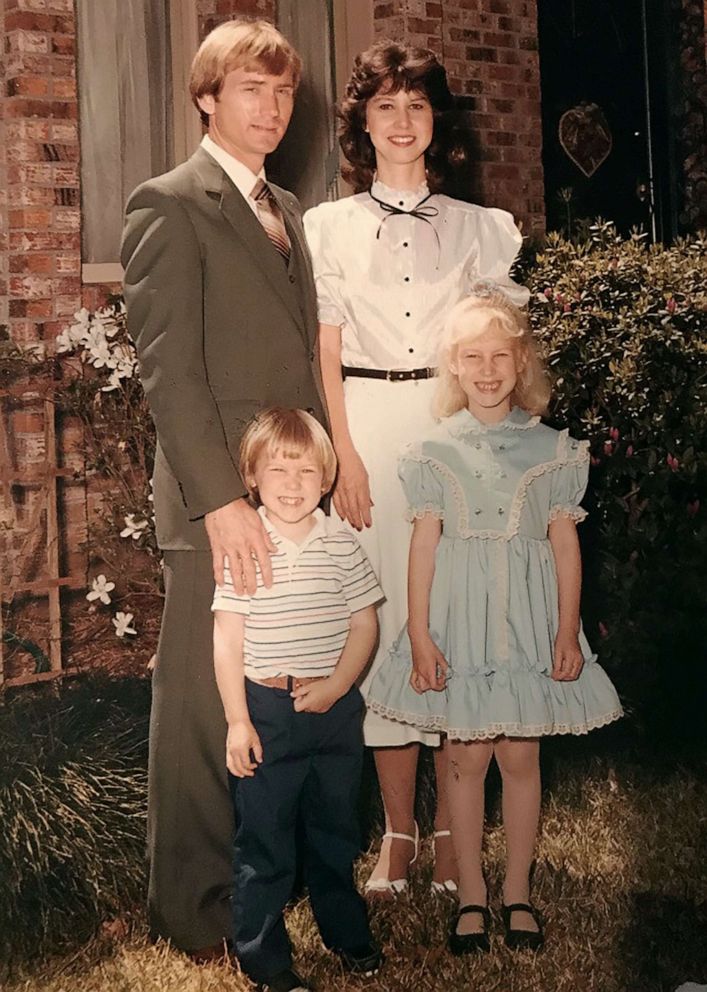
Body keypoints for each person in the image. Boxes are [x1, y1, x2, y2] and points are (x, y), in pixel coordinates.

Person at [303, 40, 529, 897]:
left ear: (437, 124)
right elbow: (325, 353)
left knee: (450, 621)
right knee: (386, 622)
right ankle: (395, 833)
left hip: (449, 436)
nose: (401, 122)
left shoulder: (481, 228)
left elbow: (493, 353)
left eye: (416, 106)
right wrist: (343, 457)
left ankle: (447, 827)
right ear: (363, 125)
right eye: (385, 107)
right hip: (365, 428)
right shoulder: (326, 227)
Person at [121, 20, 326, 956]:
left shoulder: (284, 204)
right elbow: (170, 373)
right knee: (207, 703)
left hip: (287, 494)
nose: (270, 108)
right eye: (250, 89)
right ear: (207, 97)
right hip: (220, 503)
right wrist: (221, 502)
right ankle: (195, 913)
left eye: (282, 93)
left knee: (274, 694)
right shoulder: (170, 202)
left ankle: (262, 889)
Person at [368, 292, 623, 953]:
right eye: (471, 358)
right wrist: (419, 634)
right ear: (453, 366)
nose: (486, 371)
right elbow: (423, 547)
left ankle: (516, 891)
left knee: (519, 755)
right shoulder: (430, 450)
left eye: (499, 358)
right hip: (459, 627)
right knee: (463, 757)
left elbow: (564, 546)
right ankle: (471, 896)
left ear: (520, 362)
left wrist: (566, 631)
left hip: (526, 626)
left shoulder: (552, 450)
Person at [212, 408, 383, 992]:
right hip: (268, 712)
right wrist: (239, 720)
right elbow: (227, 638)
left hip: (334, 712)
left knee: (335, 827)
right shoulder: (247, 543)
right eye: (277, 469)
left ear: (328, 480)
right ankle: (262, 953)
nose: (291, 483)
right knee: (264, 836)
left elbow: (364, 624)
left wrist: (338, 686)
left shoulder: (341, 542)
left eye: (306, 471)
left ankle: (343, 927)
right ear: (252, 476)